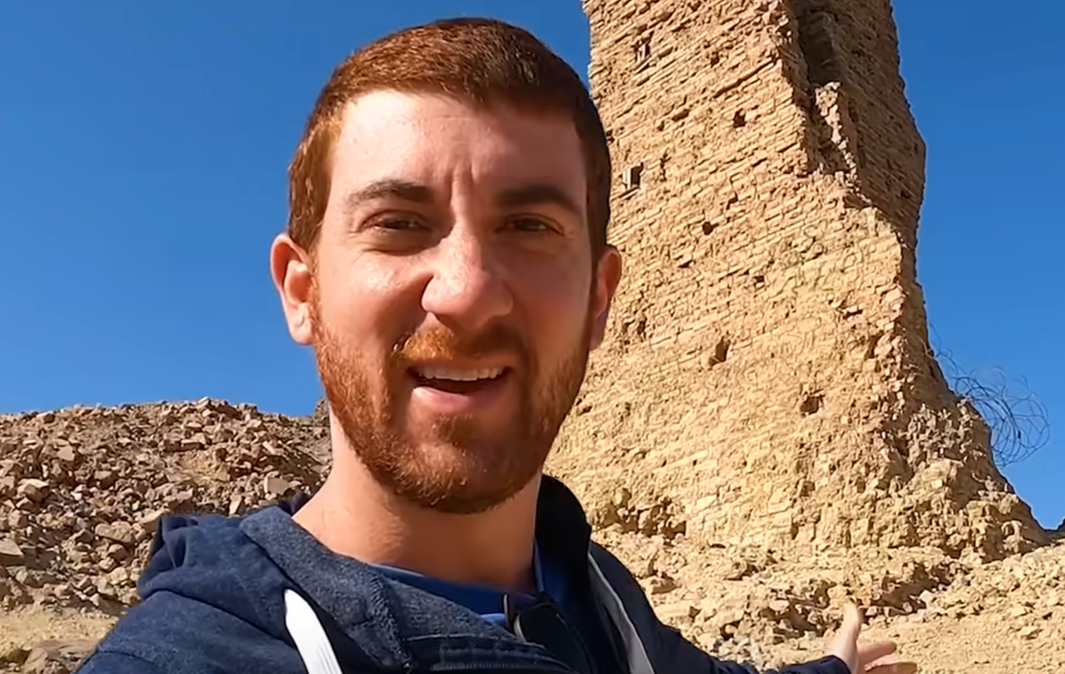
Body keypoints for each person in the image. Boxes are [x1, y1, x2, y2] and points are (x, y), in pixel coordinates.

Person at [76, 17, 915, 674]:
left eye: (529, 226)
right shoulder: (196, 655)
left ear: (599, 298)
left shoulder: (601, 602)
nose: (467, 290)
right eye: (399, 224)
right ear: (303, 290)